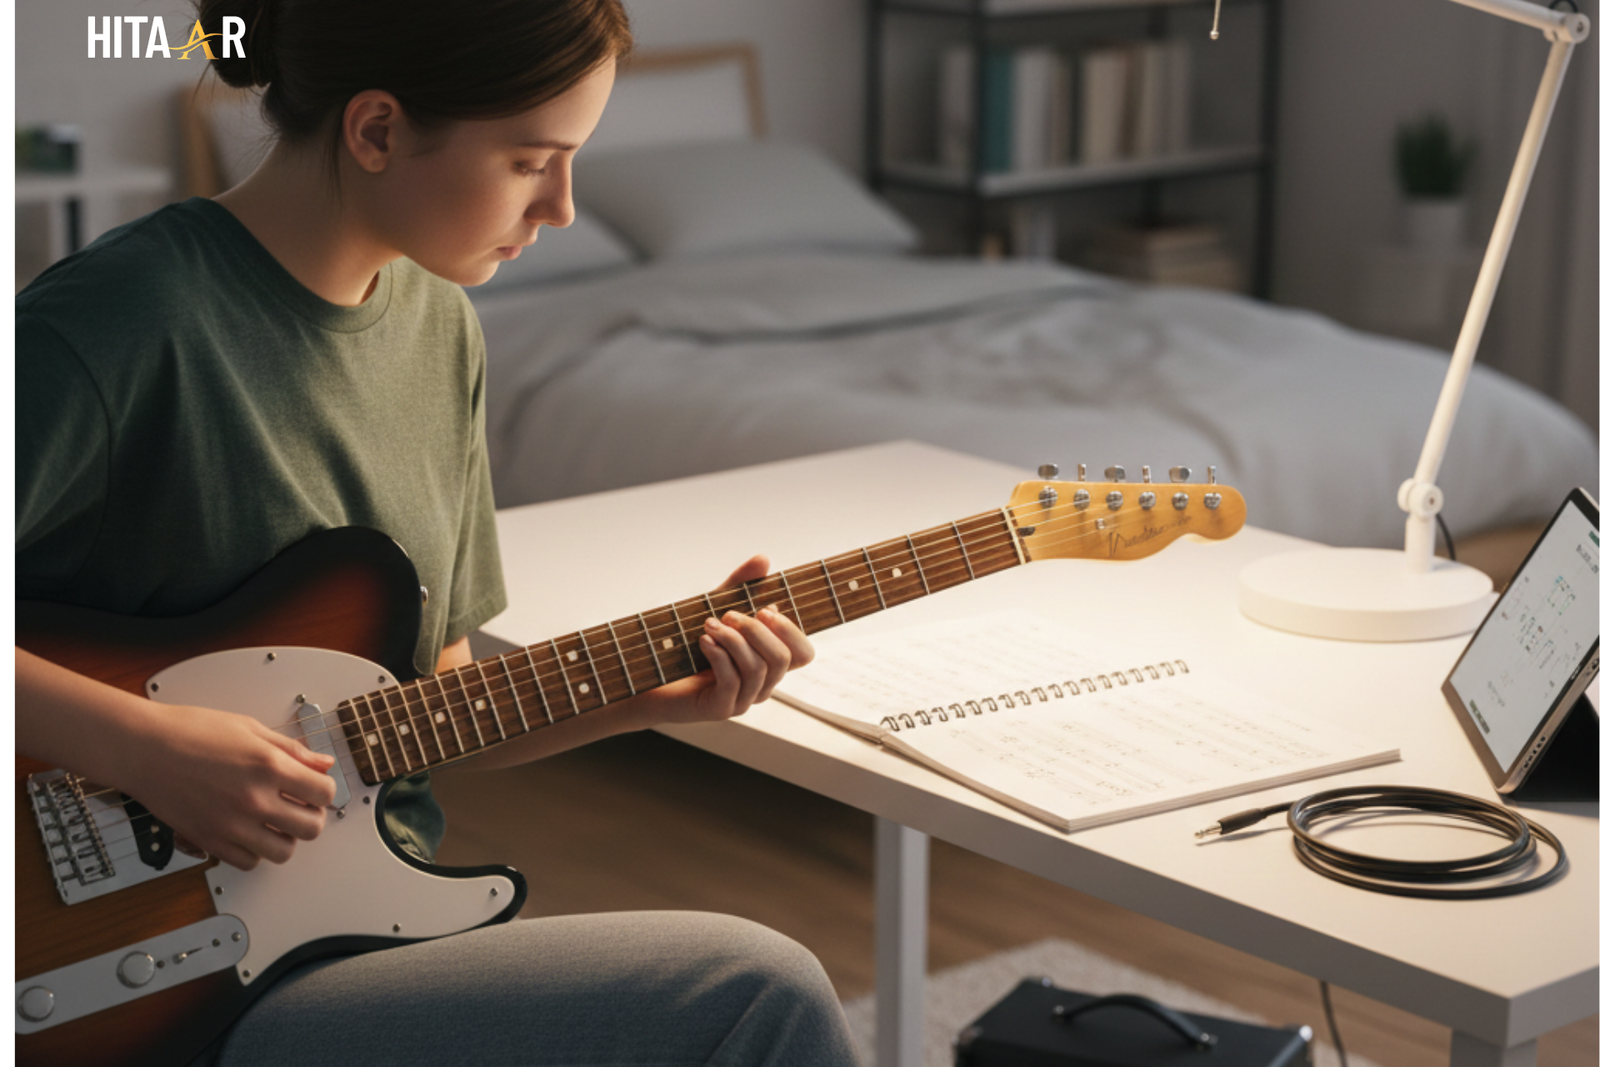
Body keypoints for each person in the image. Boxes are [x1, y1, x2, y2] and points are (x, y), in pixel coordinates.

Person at [14, 1, 864, 1064]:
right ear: (375, 131)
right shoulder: (118, 320)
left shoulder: (439, 326)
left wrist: (648, 696)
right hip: (115, 983)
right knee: (755, 992)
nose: (559, 207)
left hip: (346, 929)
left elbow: (428, 703)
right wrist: (141, 745)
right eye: (528, 161)